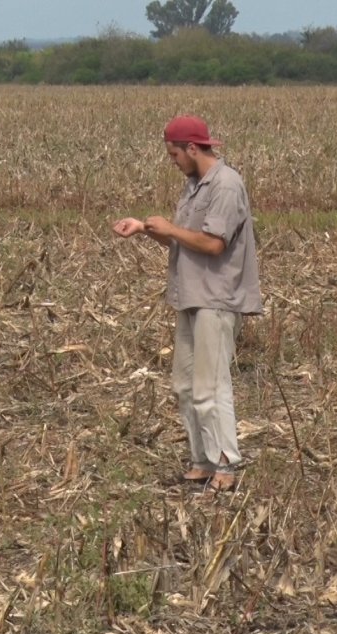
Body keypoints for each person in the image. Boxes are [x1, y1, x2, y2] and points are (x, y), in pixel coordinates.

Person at [112, 115, 262, 492]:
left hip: (217, 297)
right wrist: (147, 229)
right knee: (184, 384)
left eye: (174, 154)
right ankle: (202, 460)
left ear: (192, 148)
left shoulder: (226, 185)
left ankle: (226, 466)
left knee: (211, 386)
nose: (172, 161)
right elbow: (185, 239)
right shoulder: (194, 185)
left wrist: (169, 227)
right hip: (190, 296)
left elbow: (213, 244)